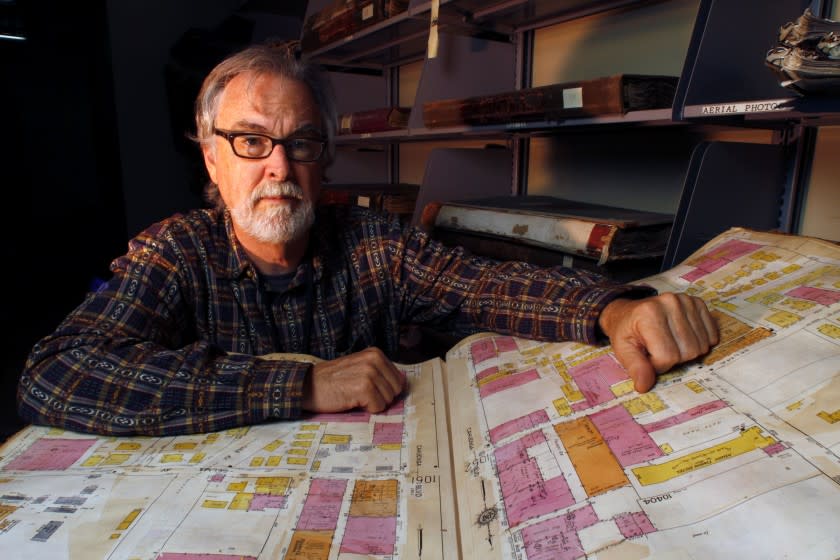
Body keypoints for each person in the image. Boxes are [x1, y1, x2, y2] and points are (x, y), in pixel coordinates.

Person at [17, 43, 718, 437]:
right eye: (252, 141)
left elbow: (479, 282)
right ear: (210, 156)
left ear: (326, 159)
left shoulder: (374, 243)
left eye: (302, 144)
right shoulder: (173, 250)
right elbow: (57, 372)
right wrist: (302, 383)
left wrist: (612, 308)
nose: (279, 168)